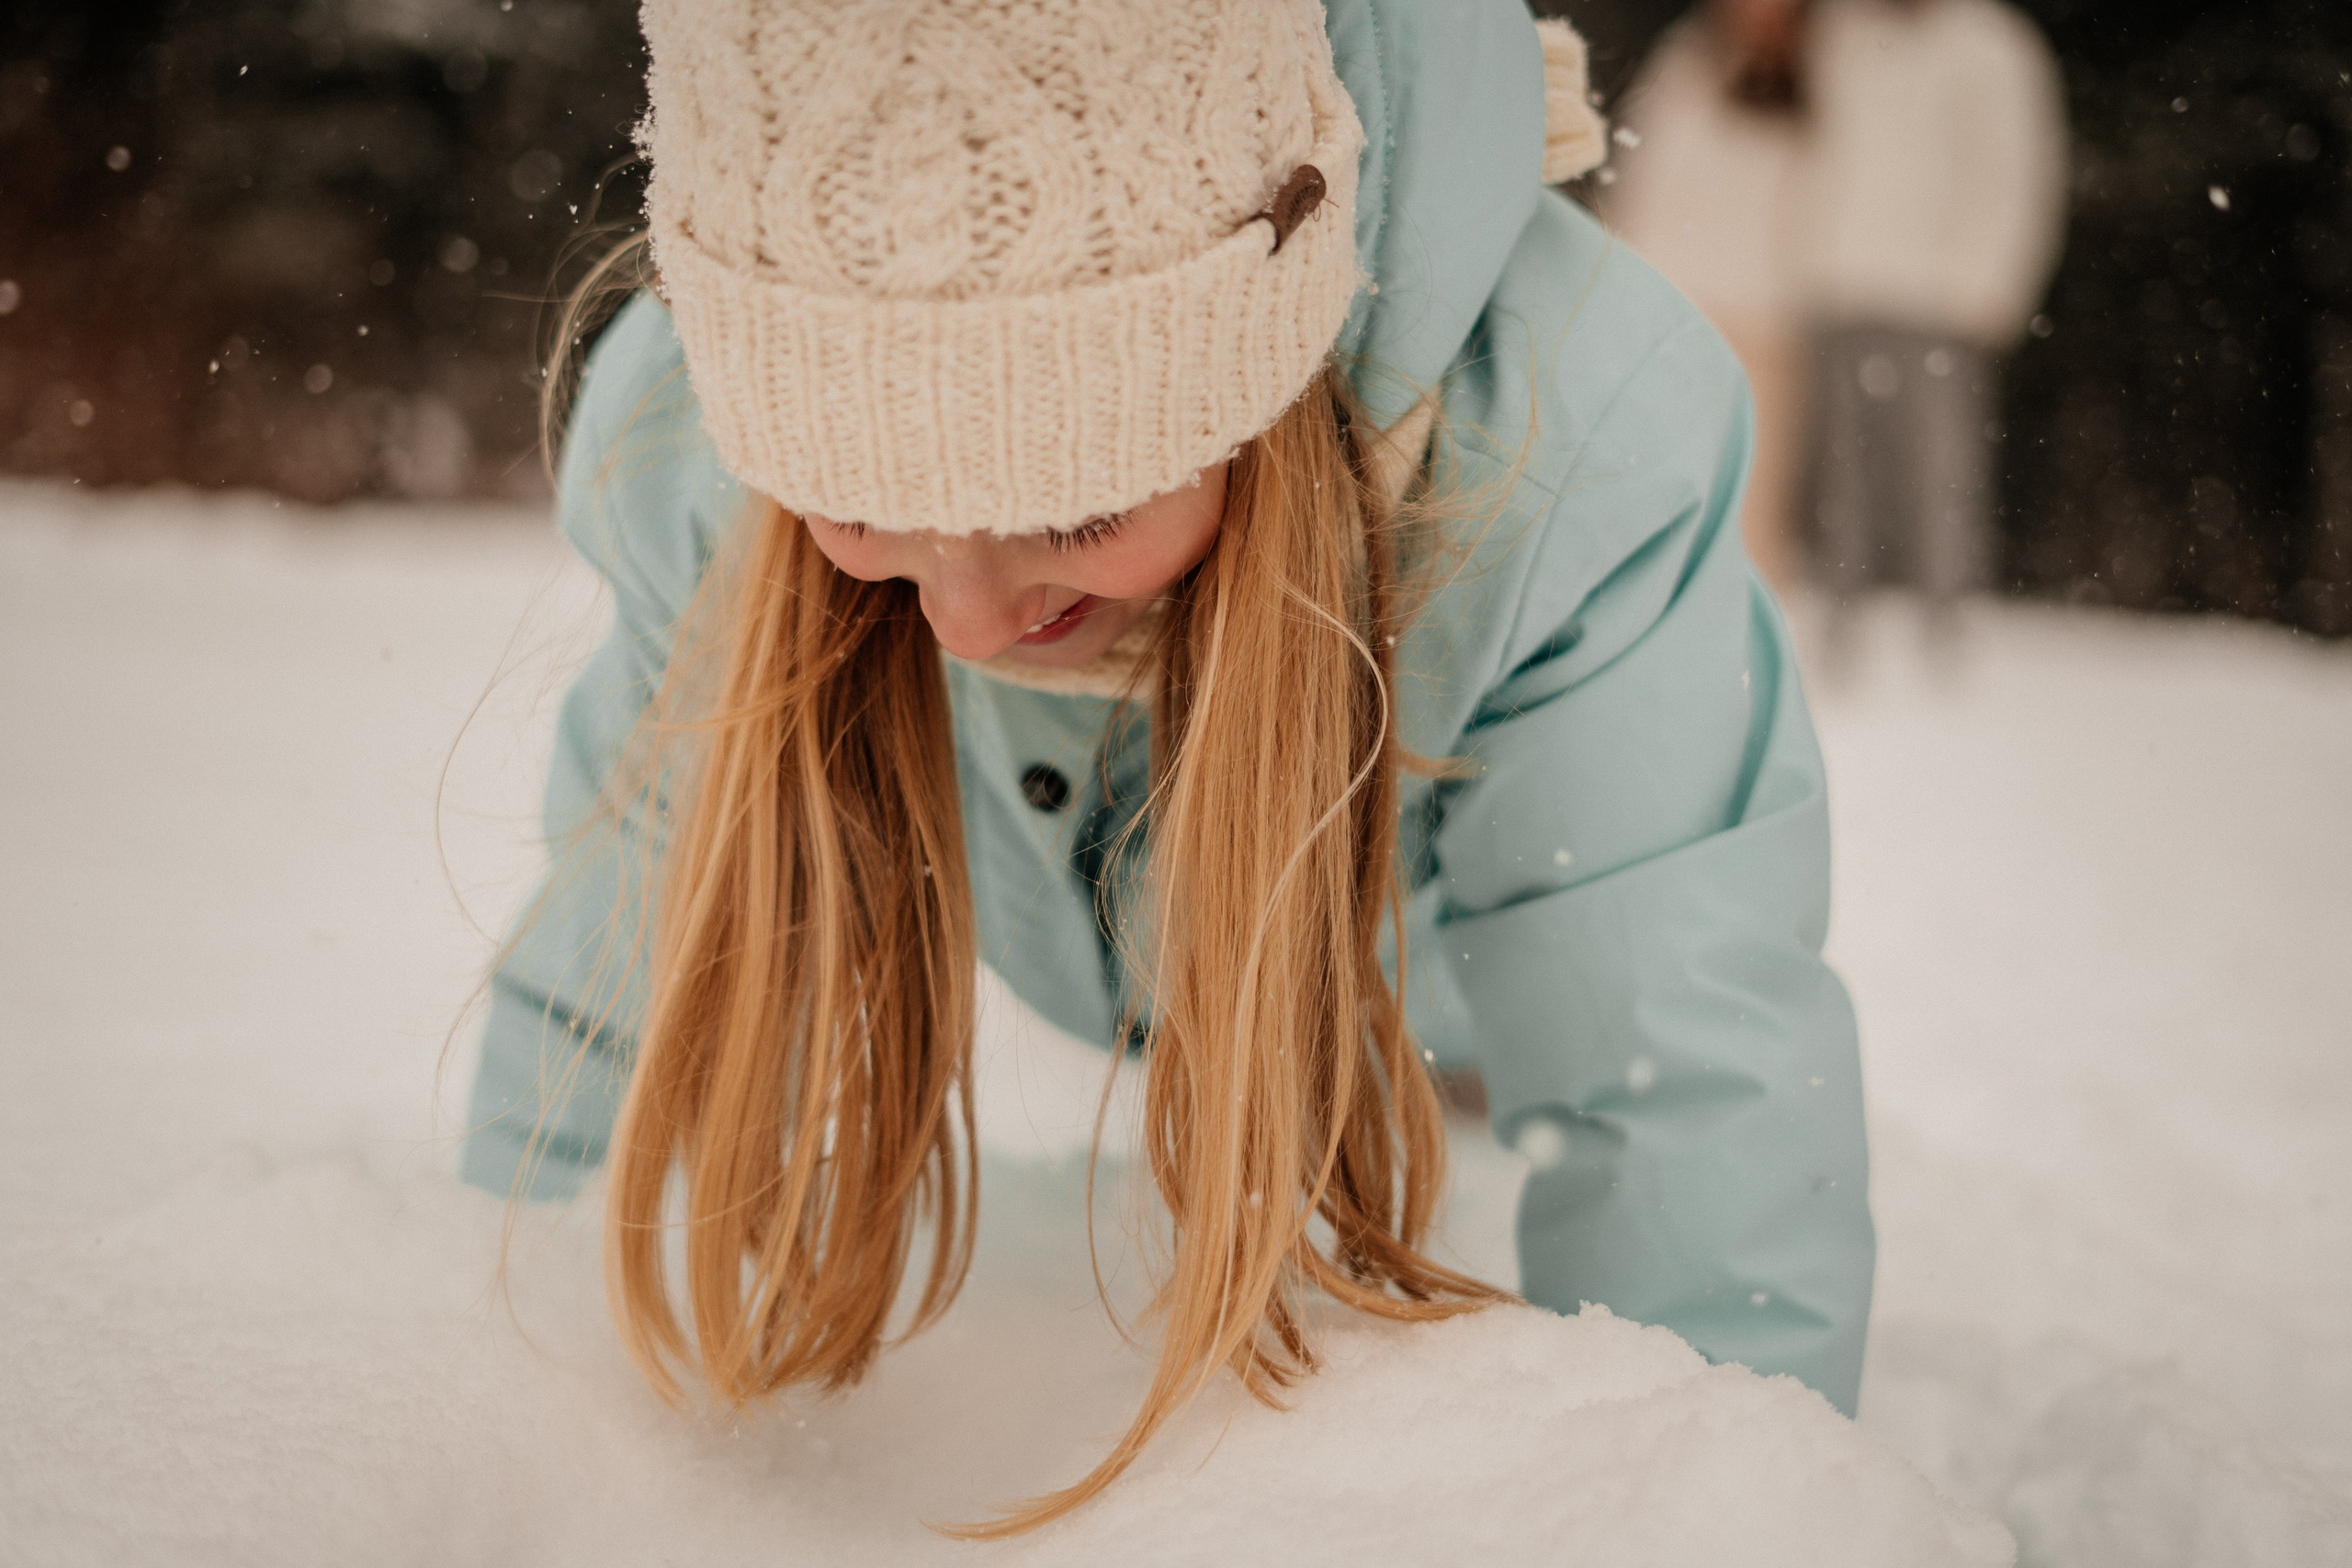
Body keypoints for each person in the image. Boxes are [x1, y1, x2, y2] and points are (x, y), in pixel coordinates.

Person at [460, 0, 1874, 1533]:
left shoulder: (1564, 445)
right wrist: (499, 1362)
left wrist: (1713, 1510)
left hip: (1437, 987)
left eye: (1074, 510)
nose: (967, 616)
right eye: (857, 508)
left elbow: (1676, 1050)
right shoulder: (691, 451)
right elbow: (631, 945)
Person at [1798, 0, 2067, 641]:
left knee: (1942, 475)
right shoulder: (1840, 32)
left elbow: (2018, 169)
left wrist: (1994, 285)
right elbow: (1814, 151)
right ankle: (1841, 617)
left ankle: (1947, 618)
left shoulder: (1993, 44)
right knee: (1842, 477)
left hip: (1940, 302)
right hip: (1843, 286)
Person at [1605, 0, 1817, 595]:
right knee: (1664, 473)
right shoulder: (1688, 63)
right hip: (1683, 304)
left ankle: (1745, 612)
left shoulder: (1825, 75)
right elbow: (1644, 176)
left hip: (1770, 318)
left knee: (1756, 491)